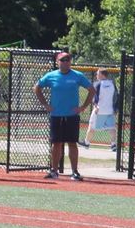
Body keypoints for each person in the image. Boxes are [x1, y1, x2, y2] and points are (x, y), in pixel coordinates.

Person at [34, 52, 94, 180]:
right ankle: (54, 171)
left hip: (72, 116)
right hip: (56, 115)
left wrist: (83, 107)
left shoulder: (77, 76)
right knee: (56, 143)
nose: (65, 62)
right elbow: (37, 88)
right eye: (62, 60)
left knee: (72, 143)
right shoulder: (51, 76)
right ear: (57, 61)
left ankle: (75, 172)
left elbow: (92, 90)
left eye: (68, 59)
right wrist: (45, 104)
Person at [80, 69, 118, 151]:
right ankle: (113, 145)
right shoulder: (112, 84)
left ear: (102, 75)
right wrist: (115, 108)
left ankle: (86, 143)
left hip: (99, 110)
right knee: (112, 128)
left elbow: (95, 96)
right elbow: (116, 97)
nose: (96, 75)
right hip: (110, 110)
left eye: (98, 74)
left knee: (92, 127)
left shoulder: (98, 84)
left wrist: (96, 105)